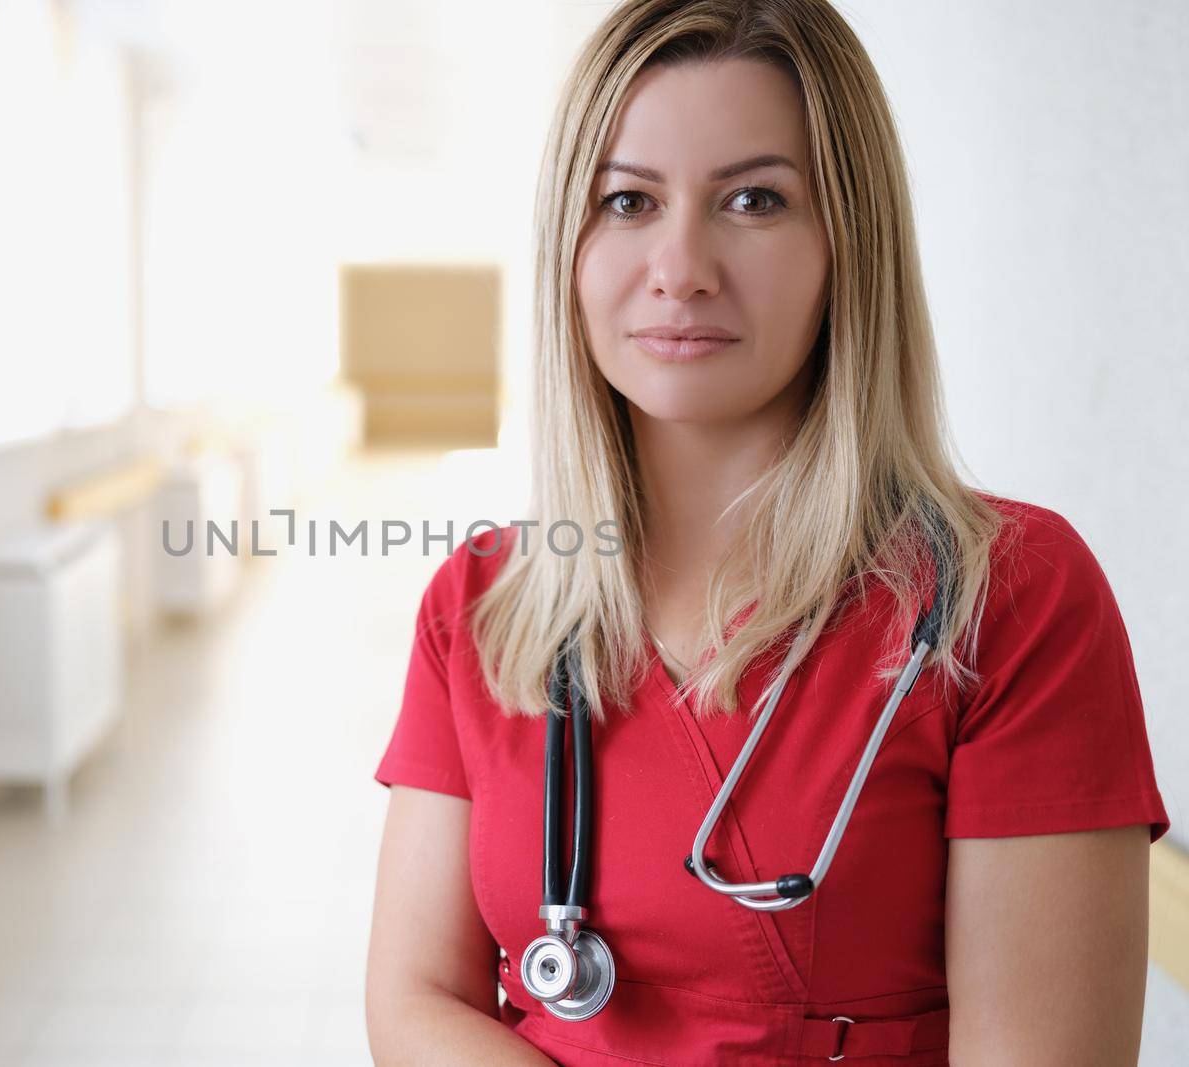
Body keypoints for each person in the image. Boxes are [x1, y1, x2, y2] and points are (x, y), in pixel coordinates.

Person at [362, 1, 1171, 1064]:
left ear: (849, 239)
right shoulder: (483, 601)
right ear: (569, 241)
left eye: (754, 199)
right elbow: (415, 1002)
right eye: (626, 200)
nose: (680, 265)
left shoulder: (1007, 597)